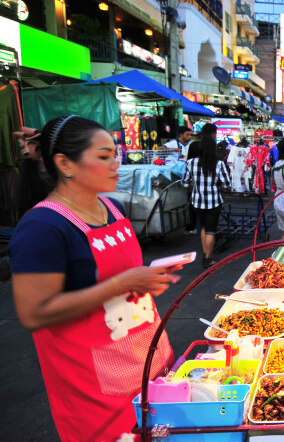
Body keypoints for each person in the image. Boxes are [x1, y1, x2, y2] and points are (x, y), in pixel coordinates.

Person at [8, 115, 178, 442]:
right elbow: (34, 313)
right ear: (64, 163)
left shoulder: (111, 208)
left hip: (150, 365)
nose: (116, 163)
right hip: (97, 392)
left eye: (115, 154)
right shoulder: (42, 228)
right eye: (103, 157)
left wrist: (146, 280)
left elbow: (121, 278)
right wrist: (123, 283)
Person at [183, 123, 231, 268]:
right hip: (214, 201)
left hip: (197, 201)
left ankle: (205, 254)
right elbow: (227, 184)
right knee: (211, 230)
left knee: (203, 227)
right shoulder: (218, 164)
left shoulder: (190, 163)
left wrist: (196, 185)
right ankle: (208, 259)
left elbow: (185, 183)